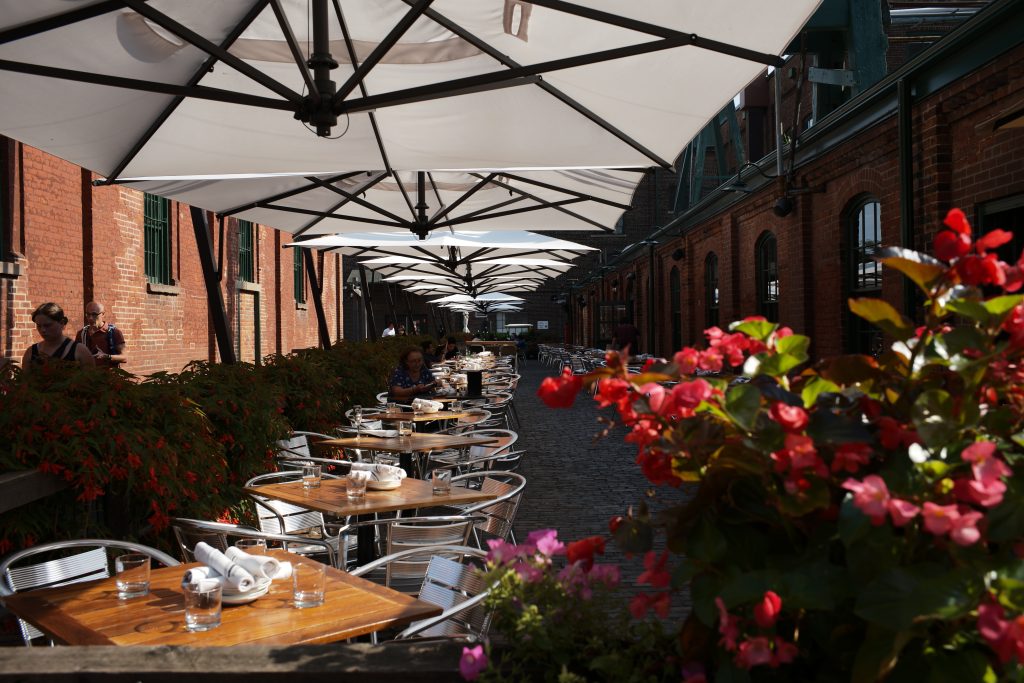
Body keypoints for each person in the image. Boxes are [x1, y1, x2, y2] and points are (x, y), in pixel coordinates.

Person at [22, 302, 94, 369]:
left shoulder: (80, 351)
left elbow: (92, 379)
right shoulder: (31, 352)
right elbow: (25, 380)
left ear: (62, 323)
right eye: (39, 326)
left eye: (48, 325)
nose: (43, 330)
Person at [78, 301, 127, 369]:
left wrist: (106, 356)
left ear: (103, 314)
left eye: (94, 314)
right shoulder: (82, 333)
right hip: (88, 377)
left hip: (109, 378)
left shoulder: (114, 332)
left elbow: (124, 358)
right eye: (88, 314)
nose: (90, 318)